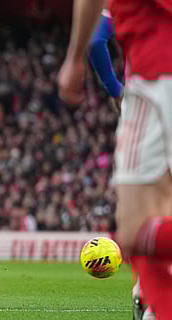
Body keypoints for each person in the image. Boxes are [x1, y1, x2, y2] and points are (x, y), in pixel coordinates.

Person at [59, 0, 172, 319]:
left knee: (137, 231)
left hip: (157, 77)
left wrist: (77, 61)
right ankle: (152, 305)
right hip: (156, 78)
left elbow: (96, 38)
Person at [88, 9, 154, 320]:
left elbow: (95, 42)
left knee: (148, 209)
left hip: (147, 105)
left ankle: (146, 294)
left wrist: (115, 89)